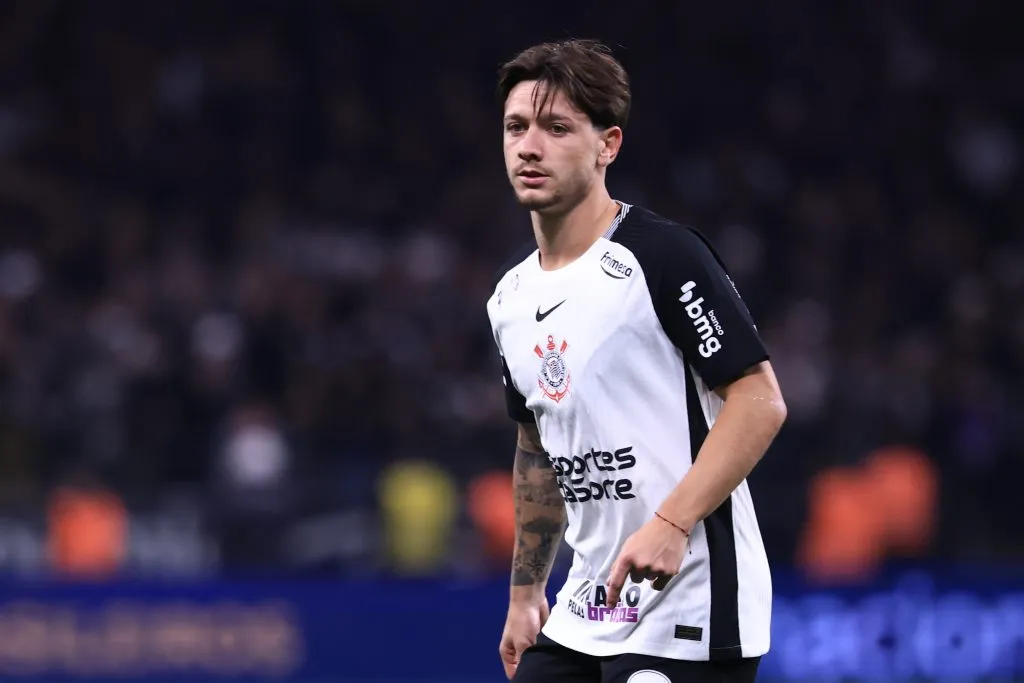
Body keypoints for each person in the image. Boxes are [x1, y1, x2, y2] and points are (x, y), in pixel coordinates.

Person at [486, 39, 788, 683]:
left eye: (556, 127)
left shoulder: (663, 256)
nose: (529, 146)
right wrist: (523, 595)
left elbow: (759, 401)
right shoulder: (509, 299)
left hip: (694, 602)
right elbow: (538, 449)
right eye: (516, 127)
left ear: (608, 145)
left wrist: (672, 523)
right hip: (586, 606)